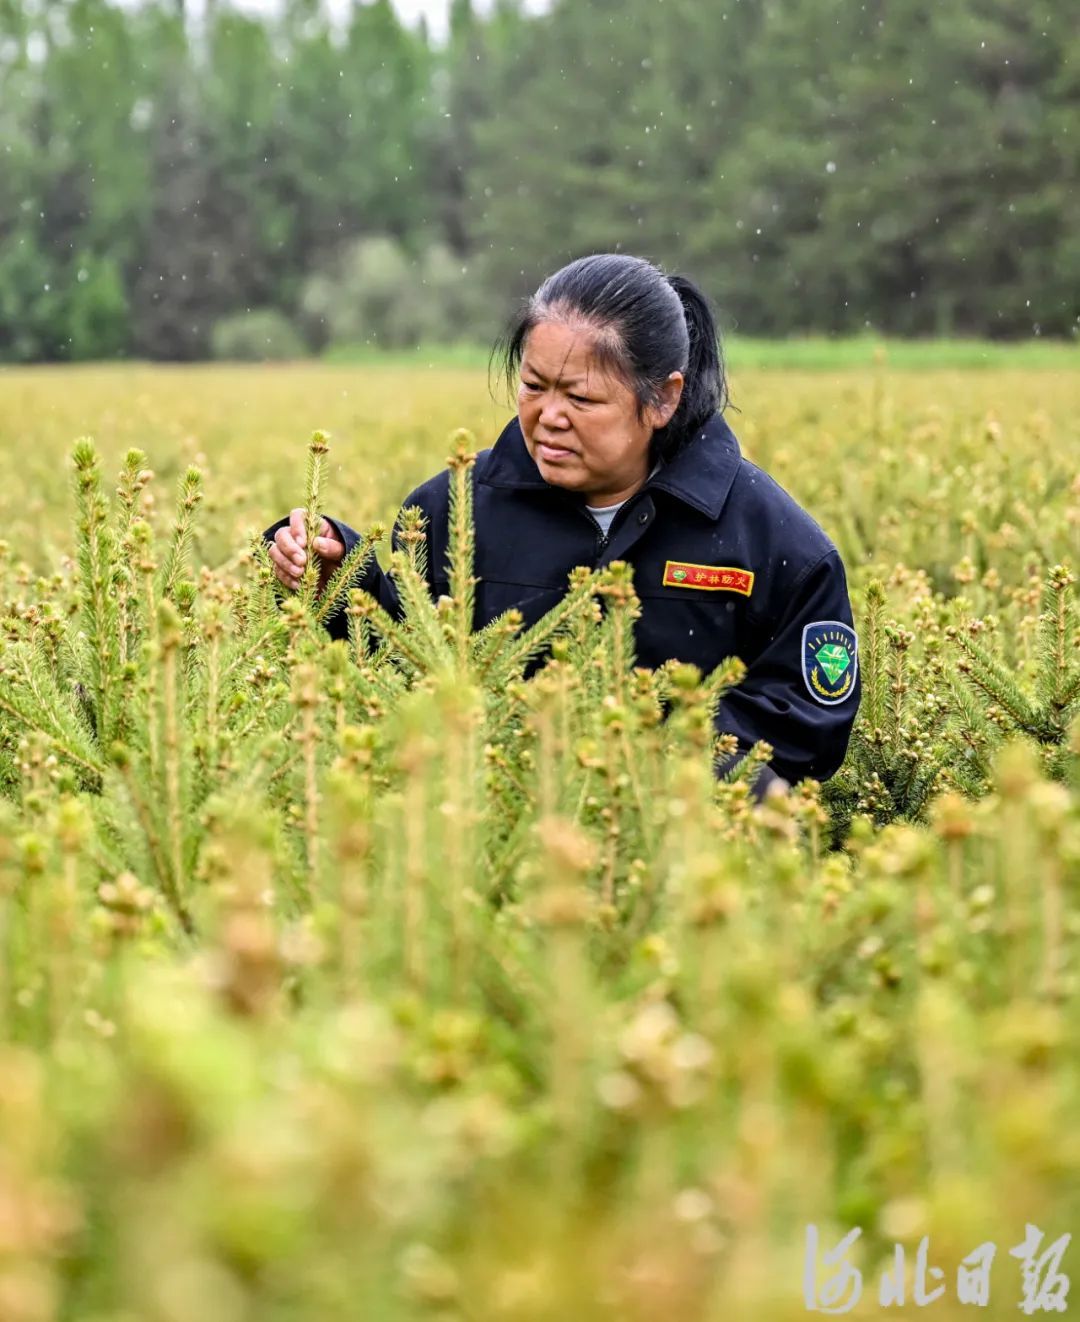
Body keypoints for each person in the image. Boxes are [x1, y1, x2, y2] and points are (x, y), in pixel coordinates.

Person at [266, 253, 860, 796]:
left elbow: (805, 714)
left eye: (580, 398)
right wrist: (338, 579)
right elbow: (402, 651)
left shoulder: (772, 540)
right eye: (533, 387)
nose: (549, 418)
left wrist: (644, 759)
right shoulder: (454, 513)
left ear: (662, 399)